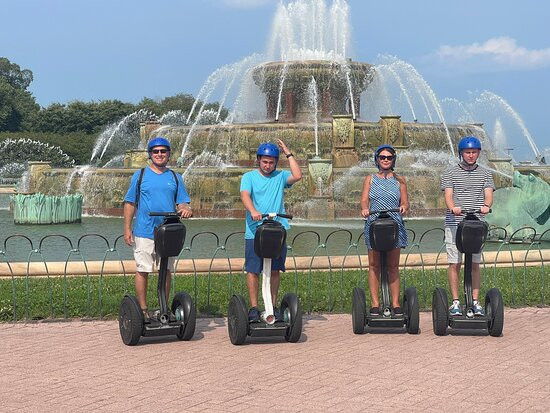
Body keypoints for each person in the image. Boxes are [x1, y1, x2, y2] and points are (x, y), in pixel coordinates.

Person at [123, 137, 193, 319]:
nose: (160, 154)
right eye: (156, 151)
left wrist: (185, 209)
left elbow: (182, 202)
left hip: (168, 232)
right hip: (145, 231)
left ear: (169, 154)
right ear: (150, 154)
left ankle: (164, 308)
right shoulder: (140, 176)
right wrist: (127, 228)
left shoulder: (175, 178)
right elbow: (130, 203)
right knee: (143, 269)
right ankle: (143, 310)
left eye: (163, 151)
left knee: (166, 270)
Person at [240, 139, 302, 322]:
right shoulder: (249, 177)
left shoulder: (281, 176)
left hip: (277, 230)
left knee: (274, 270)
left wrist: (288, 152)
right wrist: (253, 211)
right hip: (255, 231)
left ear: (276, 162)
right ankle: (253, 308)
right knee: (253, 270)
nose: (268, 165)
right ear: (258, 160)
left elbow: (297, 176)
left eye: (271, 162)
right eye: (264, 161)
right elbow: (245, 195)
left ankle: (272, 307)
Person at [441, 136, 495, 316]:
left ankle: (475, 301)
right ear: (461, 153)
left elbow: (488, 194)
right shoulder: (450, 172)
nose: (471, 155)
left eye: (474, 152)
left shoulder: (486, 173)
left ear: (478, 153)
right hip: (455, 222)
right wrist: (452, 208)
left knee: (475, 264)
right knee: (454, 262)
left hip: (476, 223)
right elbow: (448, 195)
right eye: (467, 152)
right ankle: (456, 302)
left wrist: (486, 206)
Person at [360, 144, 409, 315]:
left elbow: (405, 202)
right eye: (382, 157)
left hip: (394, 224)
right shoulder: (370, 179)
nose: (386, 160)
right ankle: (375, 304)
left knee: (393, 265)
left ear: (393, 159)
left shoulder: (400, 180)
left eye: (389, 157)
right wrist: (365, 209)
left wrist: (403, 207)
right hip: (374, 224)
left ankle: (395, 304)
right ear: (377, 159)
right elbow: (364, 200)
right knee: (374, 265)